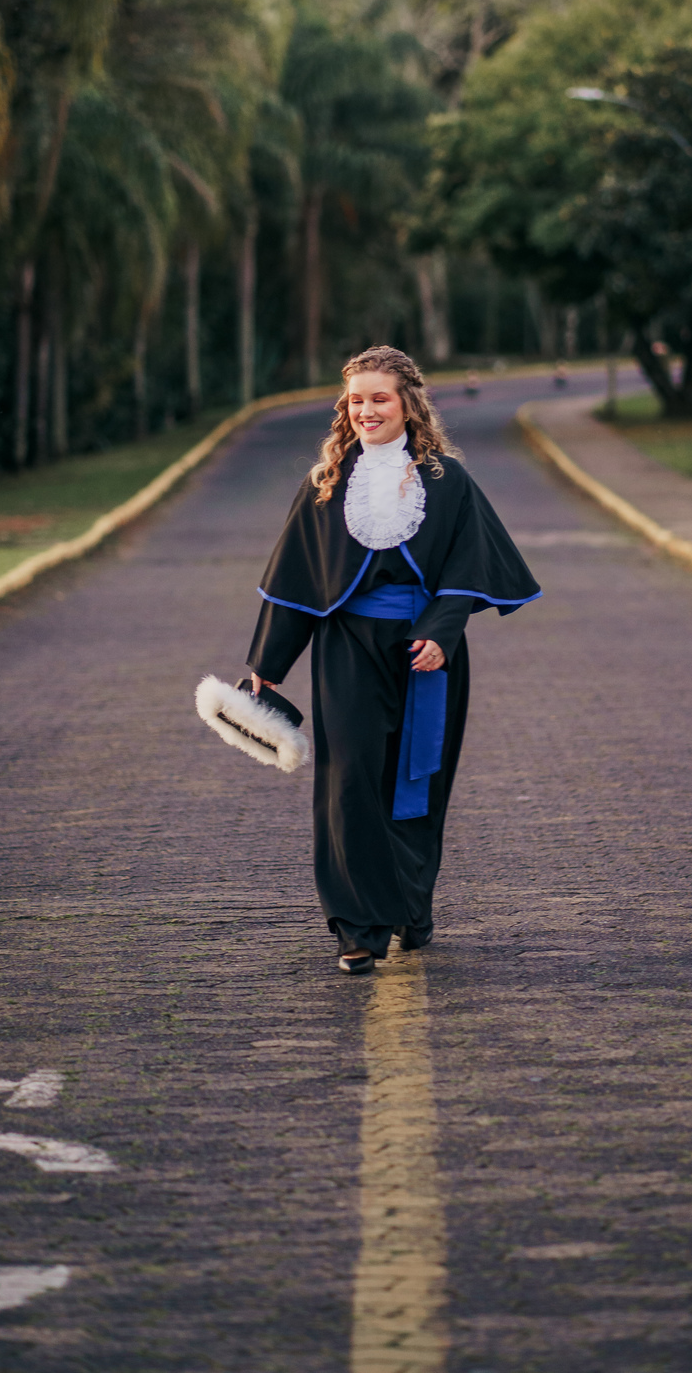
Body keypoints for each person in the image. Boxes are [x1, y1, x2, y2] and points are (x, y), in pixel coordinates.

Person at [247, 345, 540, 974]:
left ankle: (409, 906)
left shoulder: (447, 480)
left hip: (425, 653)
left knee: (413, 784)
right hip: (346, 648)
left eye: (380, 398)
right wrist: (267, 664)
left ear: (409, 404)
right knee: (350, 779)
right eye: (356, 399)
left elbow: (468, 567)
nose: (366, 410)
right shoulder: (325, 484)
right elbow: (296, 582)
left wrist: (443, 632)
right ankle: (359, 926)